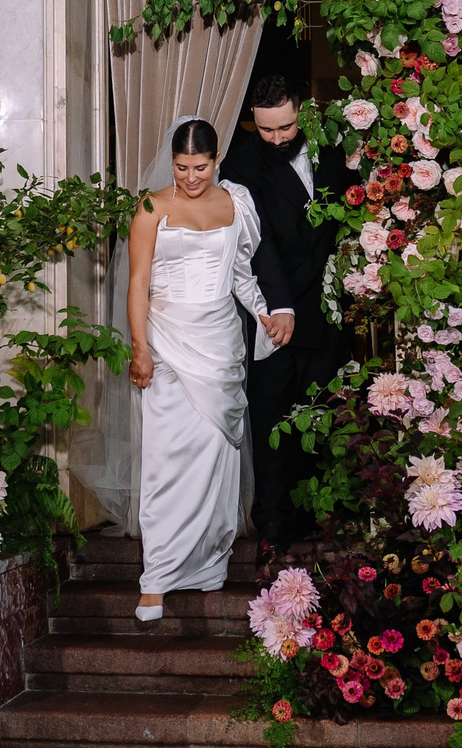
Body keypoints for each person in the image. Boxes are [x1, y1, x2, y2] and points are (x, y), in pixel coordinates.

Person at [124, 117, 272, 623]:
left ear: (216, 161)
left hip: (221, 344)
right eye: (182, 167)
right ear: (172, 162)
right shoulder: (150, 208)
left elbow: (241, 273)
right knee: (166, 458)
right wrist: (140, 346)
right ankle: (156, 577)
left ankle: (208, 562)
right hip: (166, 342)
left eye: (201, 166)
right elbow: (138, 283)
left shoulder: (236, 204)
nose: (191, 177)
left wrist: (264, 312)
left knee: (213, 460)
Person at [220, 73, 359, 552]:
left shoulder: (333, 142)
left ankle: (318, 517)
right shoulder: (239, 162)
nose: (278, 138)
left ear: (302, 110)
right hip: (272, 309)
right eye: (267, 130)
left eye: (286, 127)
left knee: (321, 411)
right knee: (272, 413)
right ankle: (273, 523)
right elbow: (256, 245)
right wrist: (278, 307)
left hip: (327, 303)